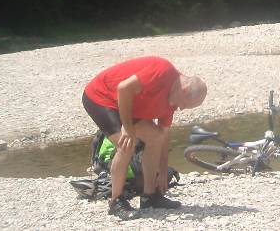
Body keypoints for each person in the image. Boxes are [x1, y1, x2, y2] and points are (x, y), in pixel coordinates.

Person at [82, 56, 207, 220]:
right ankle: (116, 202)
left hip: (128, 106)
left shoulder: (171, 102)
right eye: (184, 104)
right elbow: (123, 88)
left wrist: (162, 171)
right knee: (127, 144)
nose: (181, 109)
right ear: (183, 90)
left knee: (155, 137)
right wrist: (127, 128)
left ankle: (150, 197)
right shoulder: (162, 71)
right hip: (101, 97)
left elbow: (164, 135)